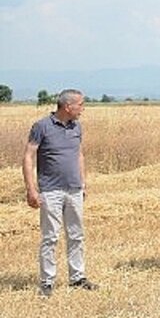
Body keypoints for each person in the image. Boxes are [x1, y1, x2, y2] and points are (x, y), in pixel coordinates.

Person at [22, 88, 99, 297]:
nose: (83, 109)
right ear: (68, 106)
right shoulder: (41, 127)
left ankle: (78, 277)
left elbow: (79, 154)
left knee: (76, 235)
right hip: (50, 191)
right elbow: (28, 157)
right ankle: (47, 282)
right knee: (50, 237)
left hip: (74, 189)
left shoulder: (77, 127)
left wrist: (84, 182)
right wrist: (31, 189)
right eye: (80, 105)